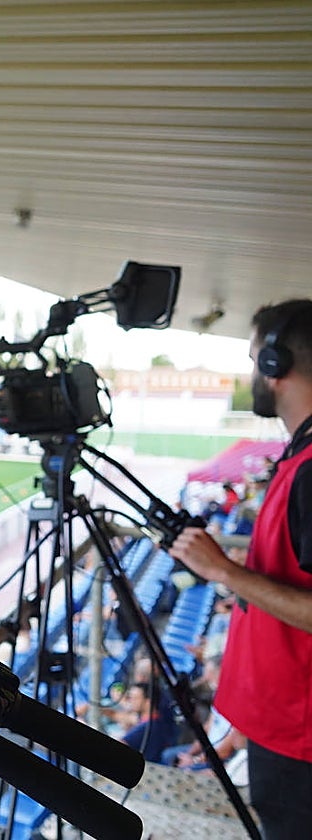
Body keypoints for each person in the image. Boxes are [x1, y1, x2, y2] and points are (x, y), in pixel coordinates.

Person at [170, 298, 312, 840]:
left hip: (299, 740)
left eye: (255, 359)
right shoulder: (300, 458)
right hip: (285, 730)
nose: (252, 373)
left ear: (276, 367)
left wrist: (224, 572)